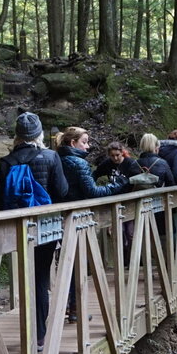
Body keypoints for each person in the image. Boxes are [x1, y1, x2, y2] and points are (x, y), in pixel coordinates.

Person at [0, 112, 69, 351]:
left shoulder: (8, 162)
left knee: (26, 279)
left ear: (17, 135)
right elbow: (62, 192)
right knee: (41, 277)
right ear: (39, 134)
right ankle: (39, 336)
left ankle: (28, 330)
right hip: (45, 229)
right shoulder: (51, 157)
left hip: (17, 230)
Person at [57, 127, 124, 321]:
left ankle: (66, 309)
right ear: (73, 143)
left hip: (57, 218)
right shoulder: (79, 163)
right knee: (77, 265)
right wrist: (117, 185)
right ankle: (75, 310)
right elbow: (93, 193)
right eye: (85, 142)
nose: (88, 146)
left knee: (65, 266)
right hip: (77, 220)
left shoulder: (55, 159)